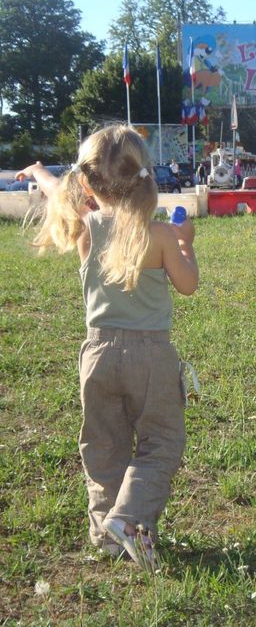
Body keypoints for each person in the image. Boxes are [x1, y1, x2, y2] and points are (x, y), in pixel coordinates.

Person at [17, 125, 199, 570]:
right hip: (151, 356)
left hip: (96, 355)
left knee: (103, 446)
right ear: (144, 176)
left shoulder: (84, 230)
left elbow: (62, 189)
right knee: (161, 443)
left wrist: (41, 172)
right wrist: (186, 245)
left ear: (87, 183)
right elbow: (189, 285)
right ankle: (130, 519)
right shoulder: (158, 235)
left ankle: (108, 535)